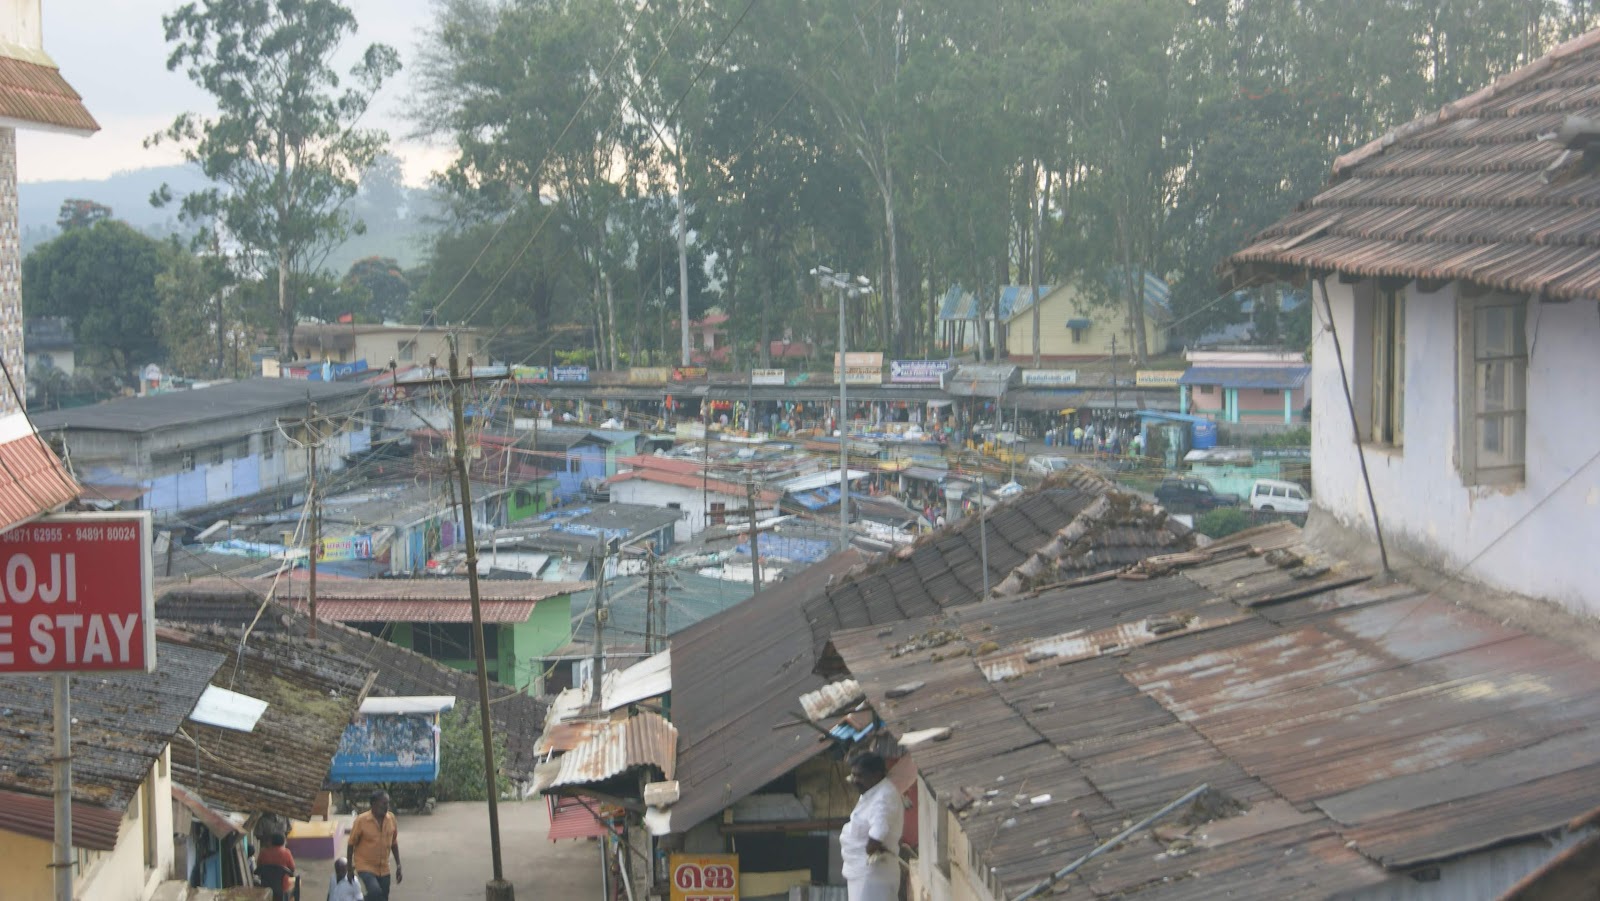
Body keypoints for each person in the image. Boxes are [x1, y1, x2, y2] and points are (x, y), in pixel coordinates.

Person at [841, 752, 902, 901]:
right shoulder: (872, 791)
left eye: (860, 776)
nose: (854, 780)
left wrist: (869, 849)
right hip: (862, 872)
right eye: (853, 775)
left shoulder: (883, 798)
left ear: (876, 775)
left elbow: (877, 834)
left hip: (873, 875)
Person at [347, 790, 402, 900]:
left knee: (383, 897)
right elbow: (351, 844)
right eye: (384, 803)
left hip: (384, 867)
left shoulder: (391, 819)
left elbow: (394, 843)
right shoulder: (361, 821)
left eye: (388, 803)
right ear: (373, 804)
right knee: (375, 891)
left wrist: (398, 865)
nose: (386, 806)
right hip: (365, 865)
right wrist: (349, 868)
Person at [256, 833, 297, 900]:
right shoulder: (286, 852)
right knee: (296, 883)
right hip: (282, 886)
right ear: (283, 841)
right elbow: (292, 868)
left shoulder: (263, 852)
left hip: (265, 885)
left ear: (271, 841)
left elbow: (259, 867)